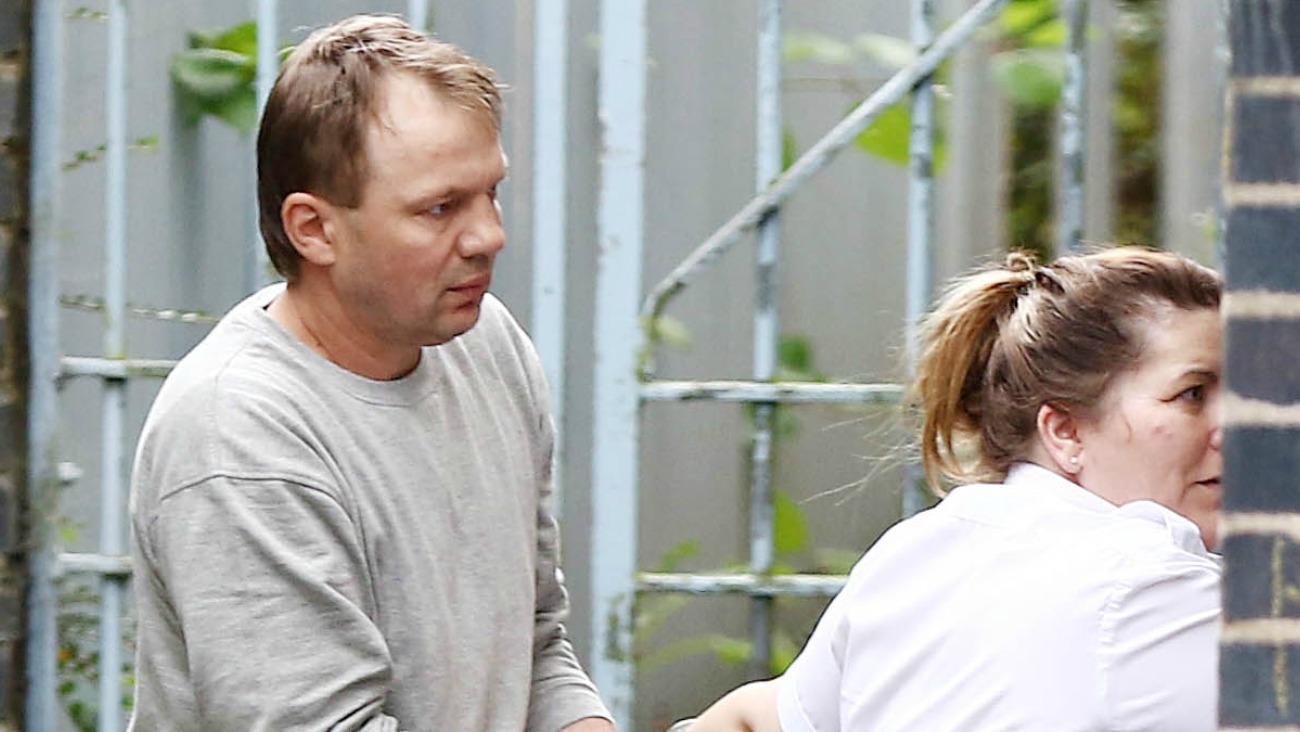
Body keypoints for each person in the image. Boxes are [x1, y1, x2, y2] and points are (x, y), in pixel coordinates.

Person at [128, 14, 614, 731]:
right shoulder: (238, 433)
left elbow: (535, 649)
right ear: (314, 229)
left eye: (491, 192)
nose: (489, 235)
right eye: (440, 208)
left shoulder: (487, 343)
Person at [682, 246, 1223, 732]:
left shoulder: (918, 553)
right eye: (1193, 394)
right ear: (1064, 431)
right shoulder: (1159, 593)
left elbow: (750, 717)